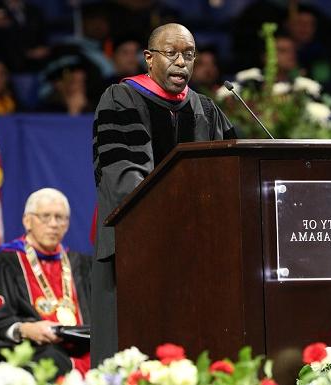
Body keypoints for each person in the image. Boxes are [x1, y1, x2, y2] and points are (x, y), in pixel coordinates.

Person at [92, 22, 236, 362]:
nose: (181, 62)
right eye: (171, 53)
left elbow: (229, 175)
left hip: (198, 252)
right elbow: (124, 173)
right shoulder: (121, 99)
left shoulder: (205, 108)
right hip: (136, 245)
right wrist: (171, 219)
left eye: (188, 54)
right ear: (149, 58)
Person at [0, 188, 91, 375]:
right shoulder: (4, 262)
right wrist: (24, 329)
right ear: (27, 221)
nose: (53, 224)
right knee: (50, 359)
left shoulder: (84, 265)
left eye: (60, 218)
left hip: (84, 350)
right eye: (45, 216)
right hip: (33, 351)